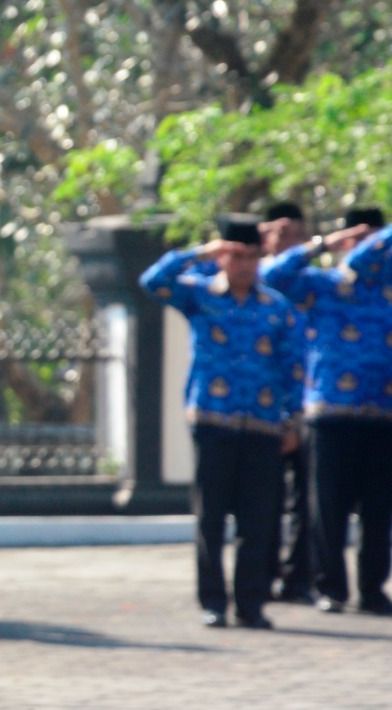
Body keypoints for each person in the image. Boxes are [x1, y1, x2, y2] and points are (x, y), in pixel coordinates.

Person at [140, 215, 302, 629]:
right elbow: (152, 281)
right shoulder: (200, 296)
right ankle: (213, 601)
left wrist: (293, 421)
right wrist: (202, 253)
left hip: (263, 428)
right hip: (214, 422)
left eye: (251, 256)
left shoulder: (276, 308)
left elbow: (293, 369)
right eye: (236, 256)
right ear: (223, 257)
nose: (244, 264)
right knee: (211, 519)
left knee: (258, 521)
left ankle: (251, 604)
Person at [262, 209, 392, 615]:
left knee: (378, 511)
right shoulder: (324, 284)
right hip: (331, 412)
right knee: (329, 507)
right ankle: (330, 587)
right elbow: (272, 279)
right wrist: (321, 246)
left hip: (383, 413)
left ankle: (373, 589)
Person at [258, 200, 314, 603]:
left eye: (296, 234)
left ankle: (298, 577)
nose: (288, 242)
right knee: (264, 501)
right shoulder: (252, 283)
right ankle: (262, 574)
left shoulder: (315, 283)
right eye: (280, 233)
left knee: (305, 502)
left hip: (307, 404)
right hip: (262, 408)